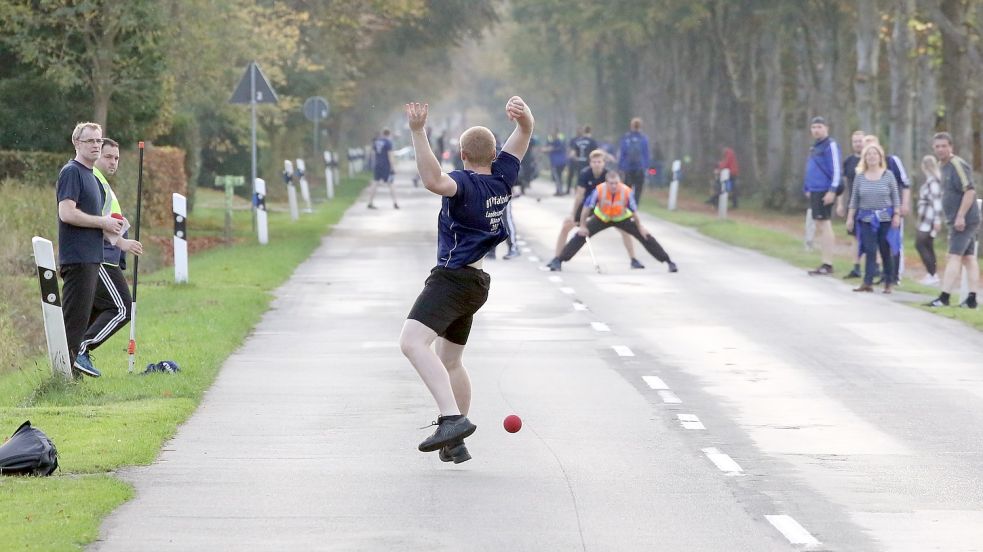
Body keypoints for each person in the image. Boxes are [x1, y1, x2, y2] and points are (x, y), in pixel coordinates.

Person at [399, 97, 534, 463]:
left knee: (412, 343)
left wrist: (417, 131)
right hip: (476, 283)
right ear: (494, 154)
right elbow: (524, 133)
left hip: (451, 279)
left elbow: (432, 179)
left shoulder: (464, 184)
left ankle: (452, 419)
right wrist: (523, 117)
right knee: (451, 360)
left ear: (461, 155)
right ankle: (456, 443)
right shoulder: (504, 177)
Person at [56, 122, 124, 378]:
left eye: (98, 141)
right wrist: (102, 222)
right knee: (73, 323)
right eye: (90, 141)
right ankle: (63, 378)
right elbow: (67, 213)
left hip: (93, 258)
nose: (95, 145)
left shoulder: (92, 177)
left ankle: (74, 376)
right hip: (78, 258)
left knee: (86, 318)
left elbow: (97, 220)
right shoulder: (71, 172)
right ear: (77, 143)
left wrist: (114, 235)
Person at [75, 138, 145, 371]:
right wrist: (122, 242)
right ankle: (81, 350)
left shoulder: (103, 183)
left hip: (108, 258)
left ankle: (71, 362)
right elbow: (97, 221)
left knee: (94, 313)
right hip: (101, 258)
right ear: (96, 157)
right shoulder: (93, 180)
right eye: (108, 156)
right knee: (122, 308)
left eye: (116, 158)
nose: (113, 161)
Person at [546, 169, 678, 273]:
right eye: (611, 183)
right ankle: (559, 260)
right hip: (602, 218)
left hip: (622, 218)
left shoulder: (626, 191)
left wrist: (640, 227)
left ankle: (668, 261)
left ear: (619, 182)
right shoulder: (599, 190)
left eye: (616, 183)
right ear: (606, 182)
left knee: (645, 236)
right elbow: (586, 209)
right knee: (580, 236)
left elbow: (634, 212)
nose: (614, 186)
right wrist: (583, 226)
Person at [553, 149, 645, 268]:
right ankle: (556, 258)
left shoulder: (608, 175)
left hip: (604, 207)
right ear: (590, 163)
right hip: (588, 205)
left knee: (625, 230)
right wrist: (573, 214)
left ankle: (633, 260)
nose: (597, 164)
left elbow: (619, 191)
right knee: (566, 225)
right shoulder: (585, 174)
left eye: (599, 162)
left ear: (603, 163)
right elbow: (580, 195)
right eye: (594, 161)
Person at [926, 132, 980, 308]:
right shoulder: (942, 166)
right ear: (934, 148)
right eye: (937, 146)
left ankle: (944, 297)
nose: (941, 149)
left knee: (953, 257)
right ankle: (972, 299)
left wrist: (960, 215)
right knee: (969, 258)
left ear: (951, 147)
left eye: (944, 146)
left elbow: (970, 190)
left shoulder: (957, 164)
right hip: (955, 219)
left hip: (964, 220)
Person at [846, 143, 901, 293]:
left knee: (885, 249)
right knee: (869, 249)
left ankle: (888, 281)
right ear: (864, 158)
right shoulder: (860, 177)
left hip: (885, 218)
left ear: (880, 157)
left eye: (874, 154)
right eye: (868, 154)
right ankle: (867, 282)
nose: (871, 157)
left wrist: (896, 214)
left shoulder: (888, 175)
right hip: (866, 218)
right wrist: (850, 217)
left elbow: (895, 197)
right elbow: (854, 199)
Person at [862, 135, 911, 286]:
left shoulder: (892, 161)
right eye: (867, 148)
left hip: (891, 208)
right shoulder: (864, 170)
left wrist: (904, 204)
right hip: (872, 211)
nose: (871, 153)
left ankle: (895, 275)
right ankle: (882, 274)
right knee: (876, 244)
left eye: (873, 147)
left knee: (893, 241)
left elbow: (905, 183)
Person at [803, 116, 842, 276]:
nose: (816, 130)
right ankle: (824, 261)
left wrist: (832, 190)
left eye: (819, 127)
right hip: (815, 189)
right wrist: (807, 187)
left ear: (826, 128)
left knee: (824, 224)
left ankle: (828, 263)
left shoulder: (830, 145)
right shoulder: (815, 147)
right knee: (819, 224)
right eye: (814, 127)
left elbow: (837, 170)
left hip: (825, 189)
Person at [840, 130, 867, 279]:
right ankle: (856, 266)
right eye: (855, 141)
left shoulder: (871, 160)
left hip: (869, 204)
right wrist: (841, 204)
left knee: (871, 236)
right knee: (855, 237)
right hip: (853, 204)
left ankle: (875, 266)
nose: (858, 144)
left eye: (860, 141)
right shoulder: (848, 161)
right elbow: (844, 184)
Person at [915, 155, 944, 286]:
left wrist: (937, 220)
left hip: (930, 218)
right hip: (925, 217)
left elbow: (936, 201)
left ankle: (932, 273)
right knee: (928, 246)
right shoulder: (930, 181)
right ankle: (932, 274)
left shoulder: (933, 183)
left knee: (920, 244)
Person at [618, 117, 651, 205]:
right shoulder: (644, 138)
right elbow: (646, 154)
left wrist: (620, 167)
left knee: (627, 189)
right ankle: (635, 206)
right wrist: (646, 167)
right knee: (638, 189)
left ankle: (627, 205)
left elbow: (622, 153)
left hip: (627, 167)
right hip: (640, 168)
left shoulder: (626, 137)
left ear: (631, 126)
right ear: (641, 126)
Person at [366, 128, 398, 209]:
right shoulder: (388, 143)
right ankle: (395, 202)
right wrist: (393, 167)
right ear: (389, 134)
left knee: (375, 183)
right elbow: (390, 156)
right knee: (391, 183)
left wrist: (371, 164)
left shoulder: (376, 142)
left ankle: (370, 202)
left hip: (377, 165)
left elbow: (372, 153)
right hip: (386, 166)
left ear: (382, 133)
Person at [566, 126, 597, 195]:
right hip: (589, 163)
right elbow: (596, 153)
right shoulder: (592, 141)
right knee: (589, 177)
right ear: (590, 132)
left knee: (580, 177)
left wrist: (576, 159)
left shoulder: (578, 141)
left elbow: (572, 154)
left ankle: (578, 193)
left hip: (579, 163)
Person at [546, 130, 567, 196]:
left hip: (556, 162)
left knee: (557, 177)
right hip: (561, 161)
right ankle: (559, 190)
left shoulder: (555, 142)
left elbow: (551, 148)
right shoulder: (561, 141)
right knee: (559, 177)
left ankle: (560, 191)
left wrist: (548, 149)